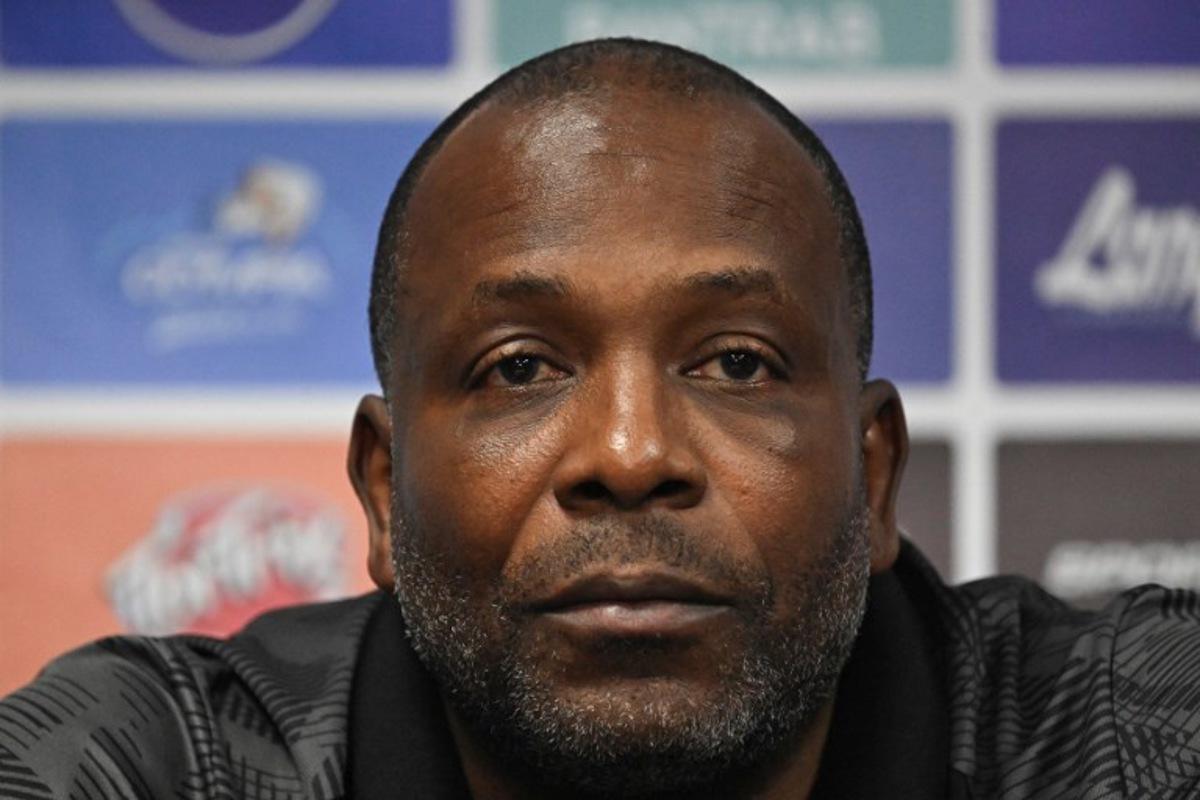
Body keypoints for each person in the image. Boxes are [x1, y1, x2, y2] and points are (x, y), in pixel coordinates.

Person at [3, 38, 1199, 800]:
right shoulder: (159, 762)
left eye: (737, 361)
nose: (630, 454)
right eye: (520, 367)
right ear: (380, 488)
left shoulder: (1122, 734)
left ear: (874, 476)